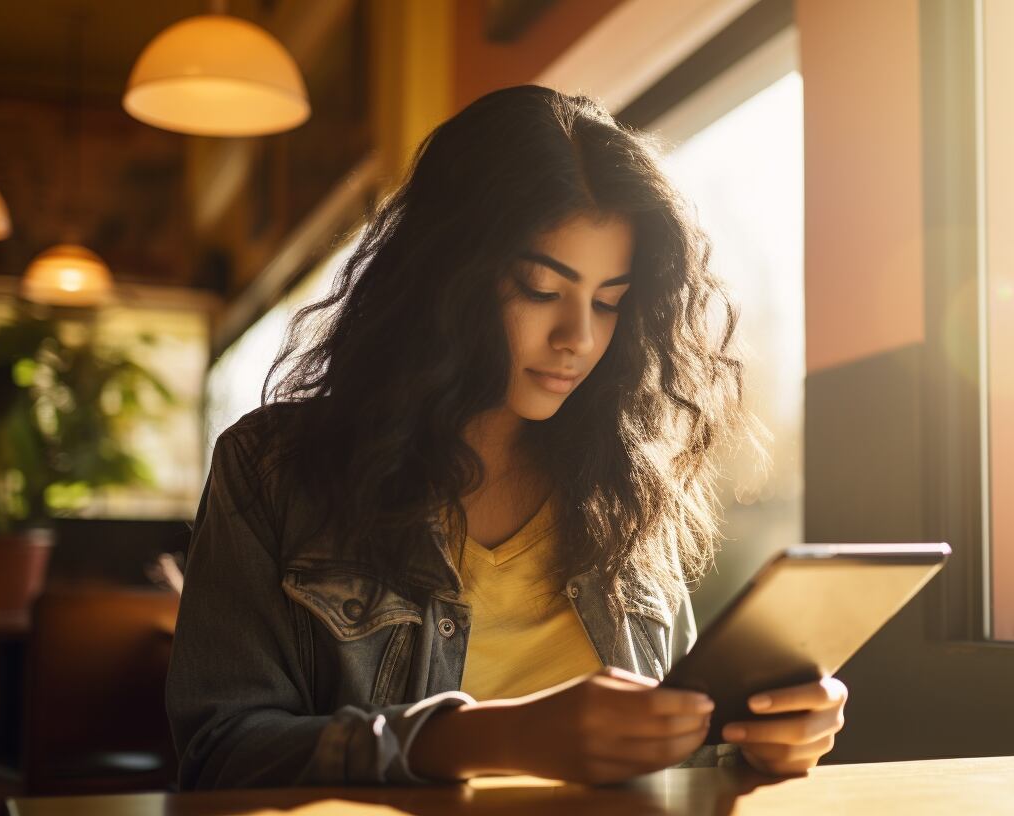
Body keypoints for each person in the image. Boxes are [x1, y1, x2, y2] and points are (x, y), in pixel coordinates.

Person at [165, 85, 847, 789]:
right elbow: (220, 755)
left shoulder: (627, 489)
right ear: (445, 277)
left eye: (608, 301)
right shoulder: (273, 468)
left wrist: (760, 739)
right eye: (540, 290)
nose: (578, 338)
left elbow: (679, 755)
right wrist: (487, 737)